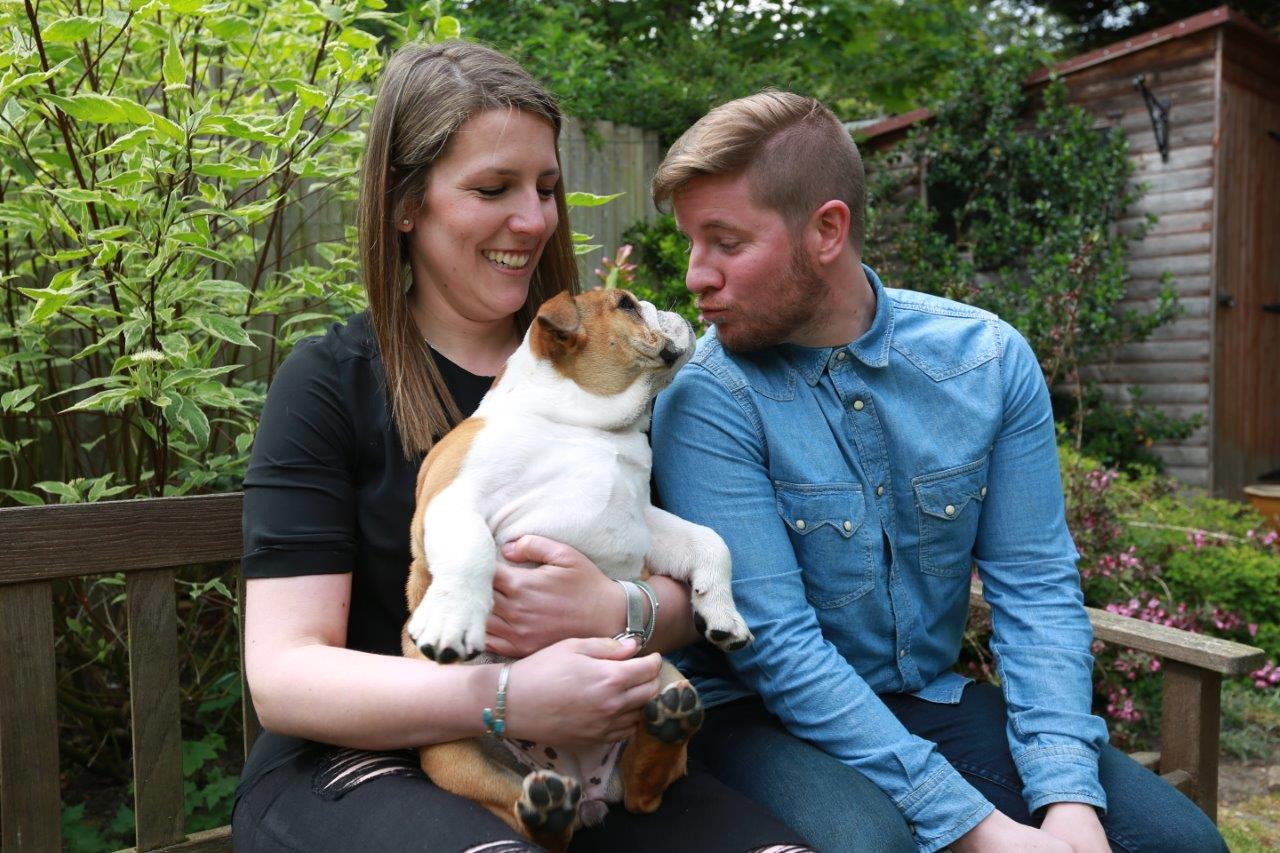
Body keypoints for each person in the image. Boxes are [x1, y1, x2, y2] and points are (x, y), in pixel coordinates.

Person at [232, 42, 811, 853]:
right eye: (492, 188)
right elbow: (285, 677)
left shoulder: (605, 375)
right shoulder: (330, 383)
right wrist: (503, 695)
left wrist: (622, 610)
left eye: (545, 188)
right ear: (406, 203)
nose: (535, 219)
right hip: (361, 762)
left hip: (591, 749)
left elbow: (671, 584)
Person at [648, 91, 1228, 853]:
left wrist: (1066, 796)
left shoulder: (987, 362)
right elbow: (778, 649)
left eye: (724, 242)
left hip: (924, 697)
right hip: (757, 714)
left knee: (1180, 845)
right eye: (693, 242)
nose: (696, 276)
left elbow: (1036, 590)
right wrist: (984, 831)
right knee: (870, 844)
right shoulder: (708, 399)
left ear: (827, 229)